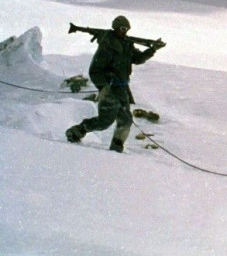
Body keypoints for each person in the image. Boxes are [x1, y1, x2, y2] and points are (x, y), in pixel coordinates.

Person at [66, 15, 160, 153]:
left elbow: (137, 59)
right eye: (122, 28)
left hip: (122, 88)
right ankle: (76, 132)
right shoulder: (107, 46)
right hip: (109, 89)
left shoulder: (127, 44)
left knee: (126, 121)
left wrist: (152, 50)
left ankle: (116, 149)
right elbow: (94, 71)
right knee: (104, 122)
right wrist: (104, 87)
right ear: (115, 27)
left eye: (127, 28)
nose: (125, 31)